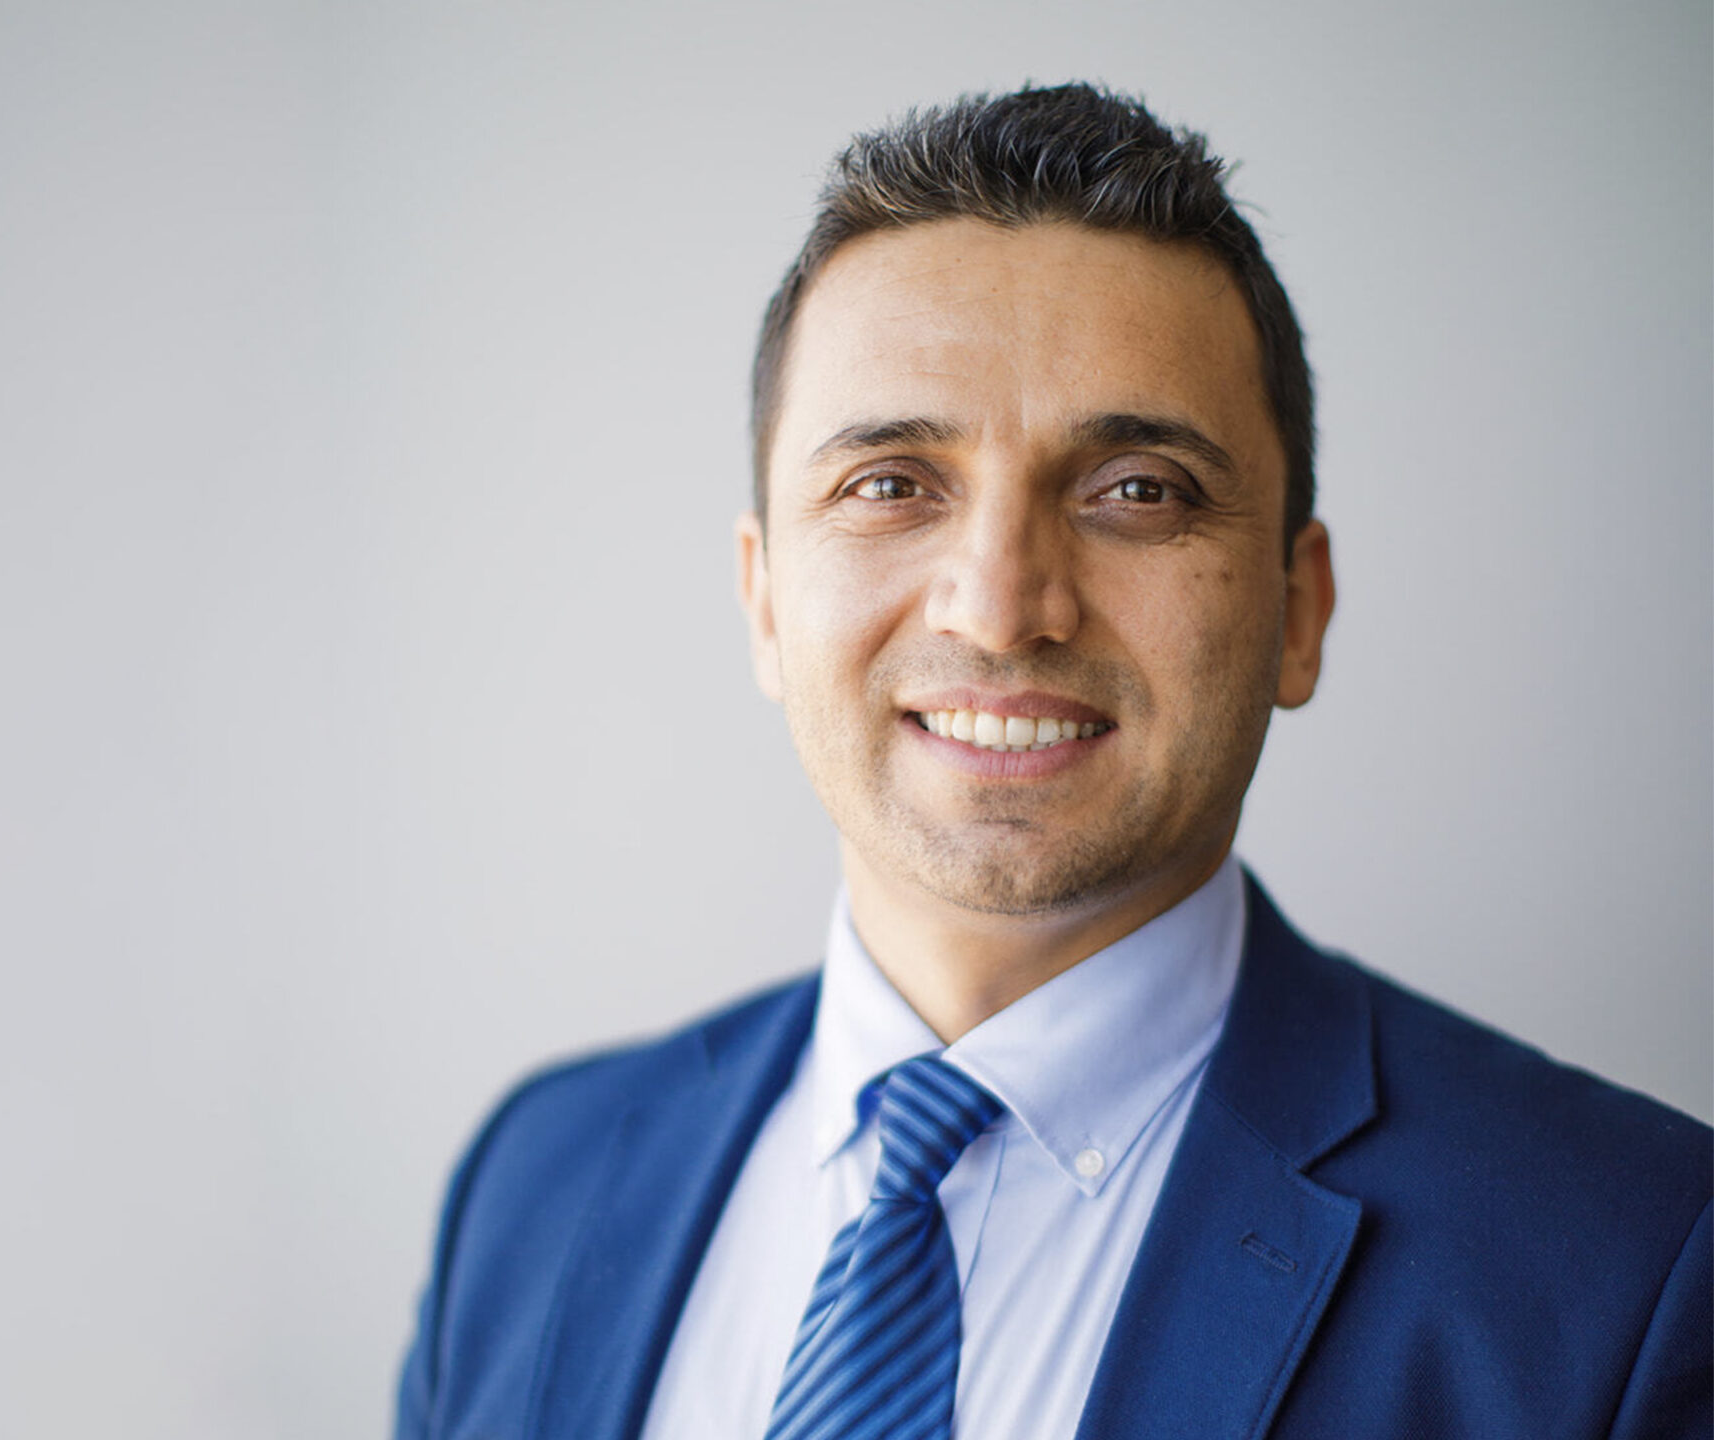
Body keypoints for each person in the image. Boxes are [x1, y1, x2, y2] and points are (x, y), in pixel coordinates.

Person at [393, 84, 1710, 1440]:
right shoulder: (532, 1187)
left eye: (1137, 489)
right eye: (893, 483)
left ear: (1297, 611)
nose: (1002, 604)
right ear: (766, 601)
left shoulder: (1635, 1272)